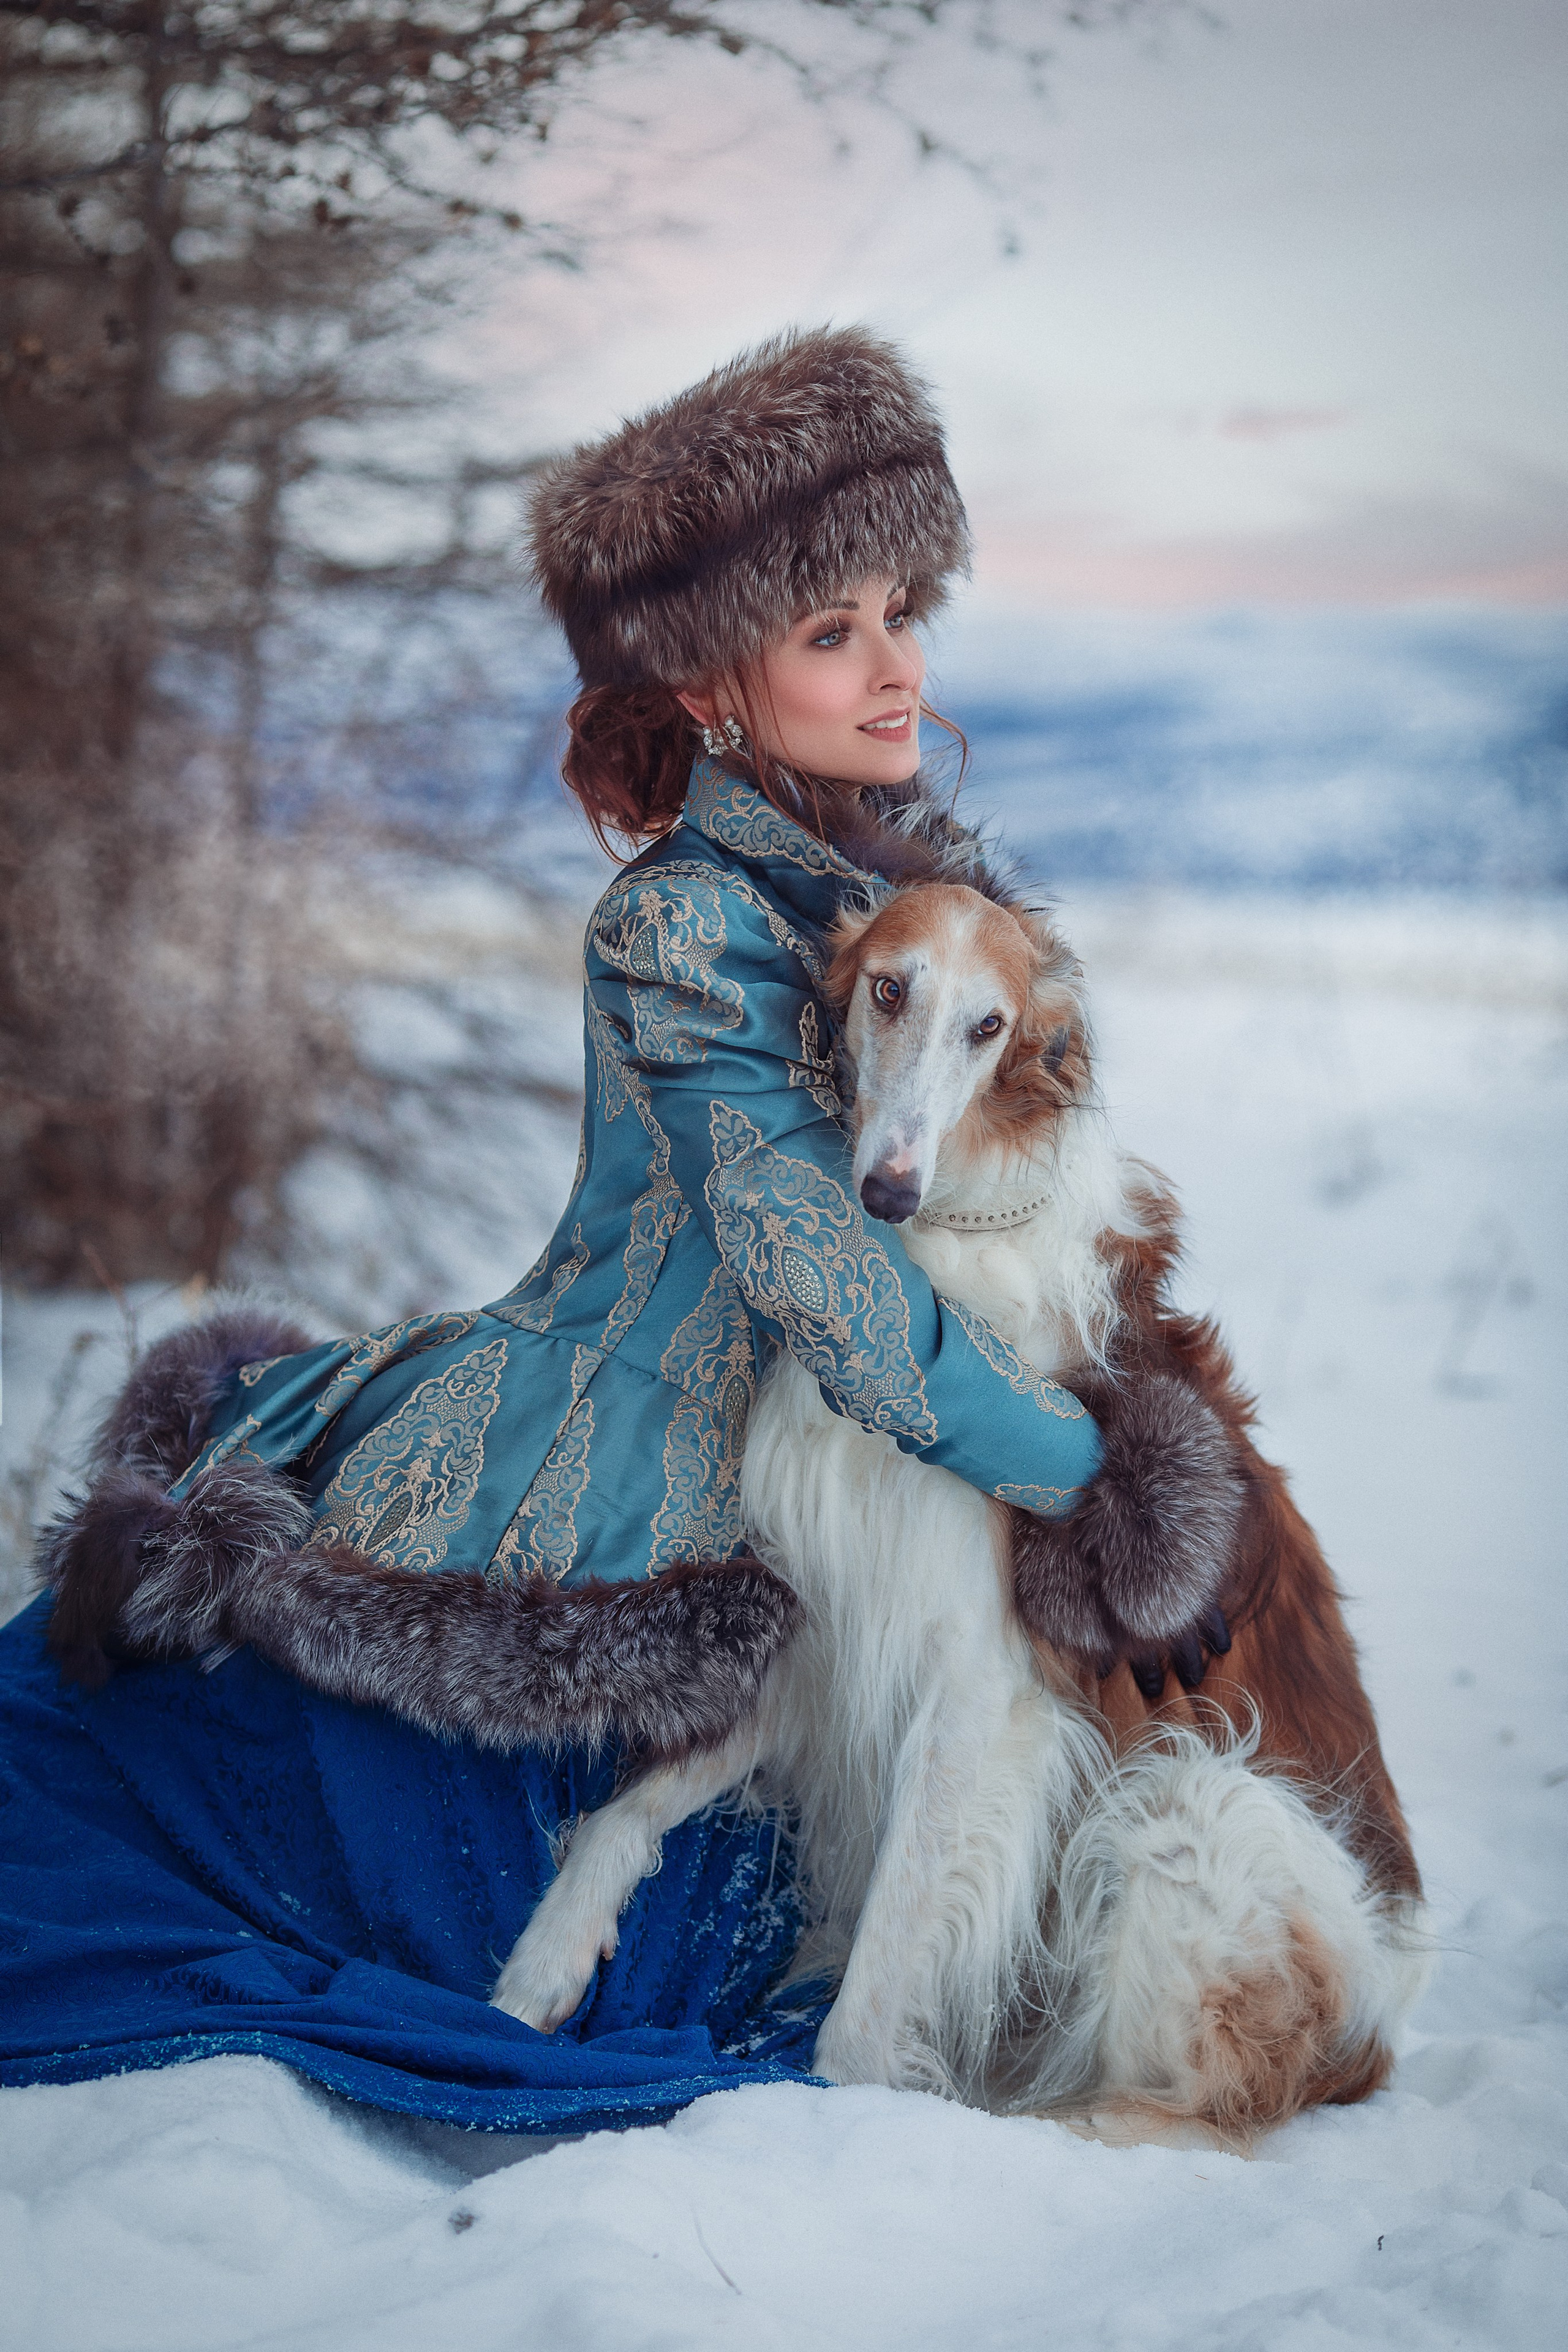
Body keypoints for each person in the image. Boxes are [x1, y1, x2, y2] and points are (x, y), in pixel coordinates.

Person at [1, 330, 1206, 2134]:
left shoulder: (893, 903)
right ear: (716, 683)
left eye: (900, 611)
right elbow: (837, 1294)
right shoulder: (690, 927)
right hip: (622, 1459)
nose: (896, 669)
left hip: (801, 1476)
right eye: (833, 631)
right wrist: (1096, 1482)